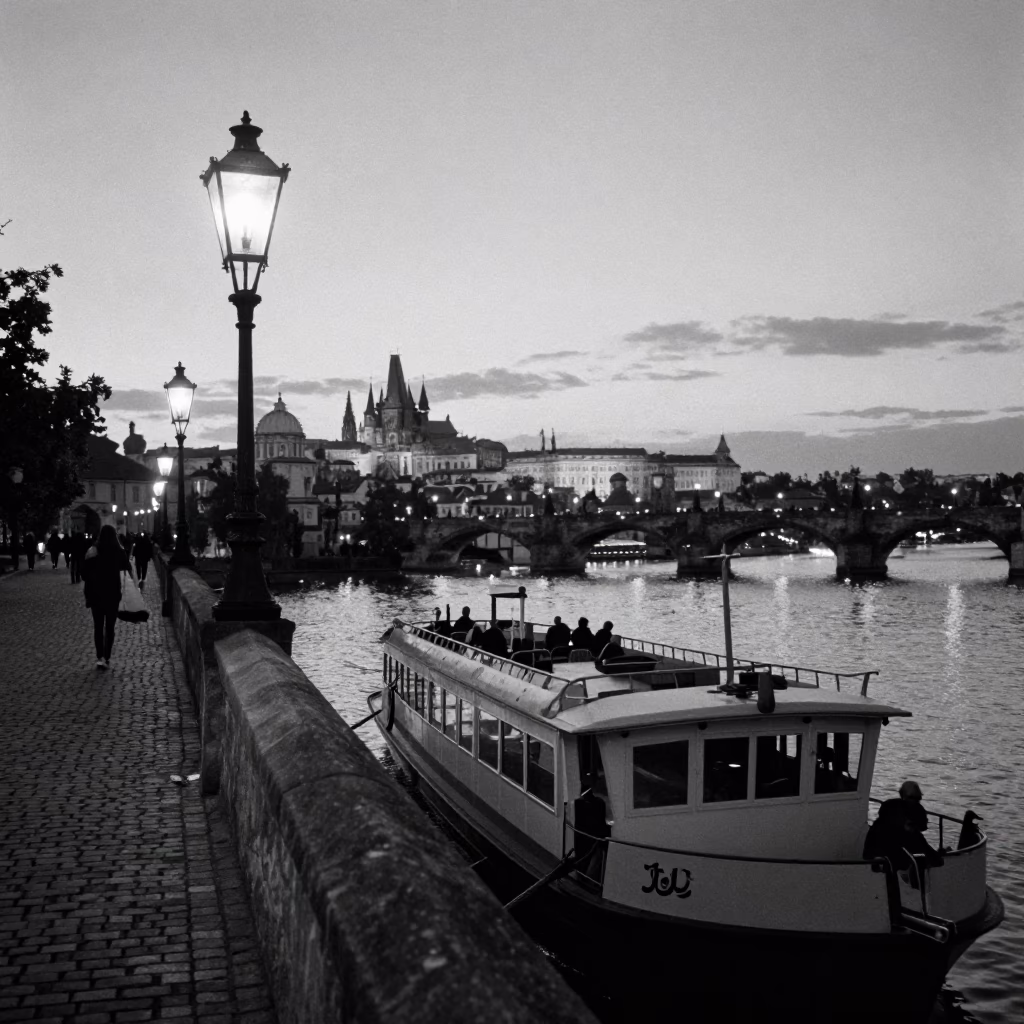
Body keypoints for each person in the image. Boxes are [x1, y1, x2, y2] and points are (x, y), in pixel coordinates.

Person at [81, 525, 131, 670]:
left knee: (98, 626)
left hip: (96, 593)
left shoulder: (92, 551)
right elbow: (127, 568)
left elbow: (83, 573)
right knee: (110, 627)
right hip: (113, 593)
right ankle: (107, 657)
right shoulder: (119, 551)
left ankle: (99, 656)